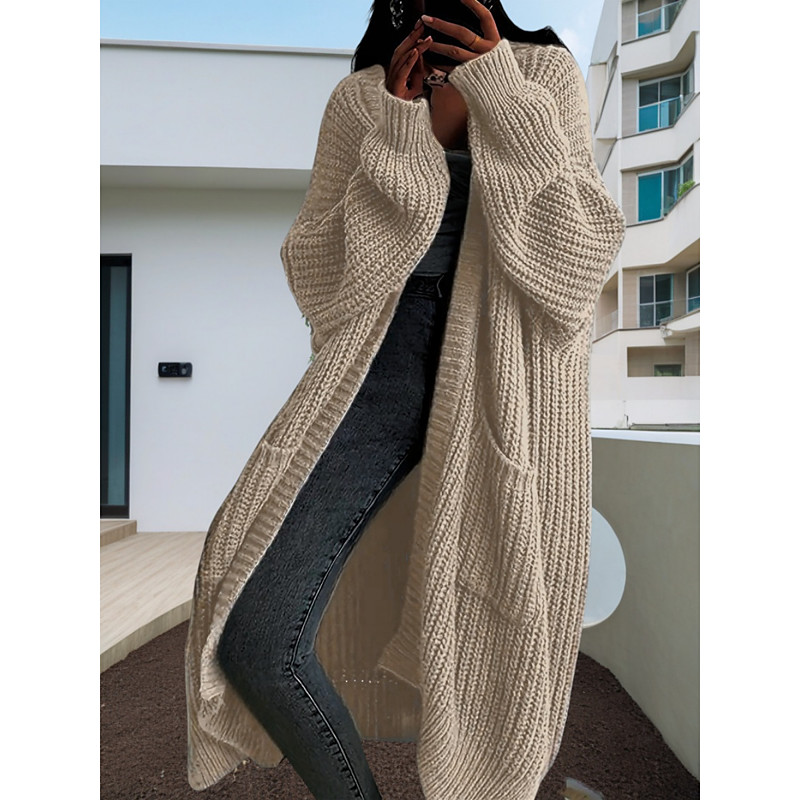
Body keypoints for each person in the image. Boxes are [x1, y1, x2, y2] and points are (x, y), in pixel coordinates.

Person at [185, 1, 628, 799]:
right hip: (378, 366)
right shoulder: (360, 100)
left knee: (497, 645)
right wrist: (397, 132)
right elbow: (321, 282)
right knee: (252, 629)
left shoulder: (543, 74)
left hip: (505, 378)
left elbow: (578, 265)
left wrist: (500, 96)